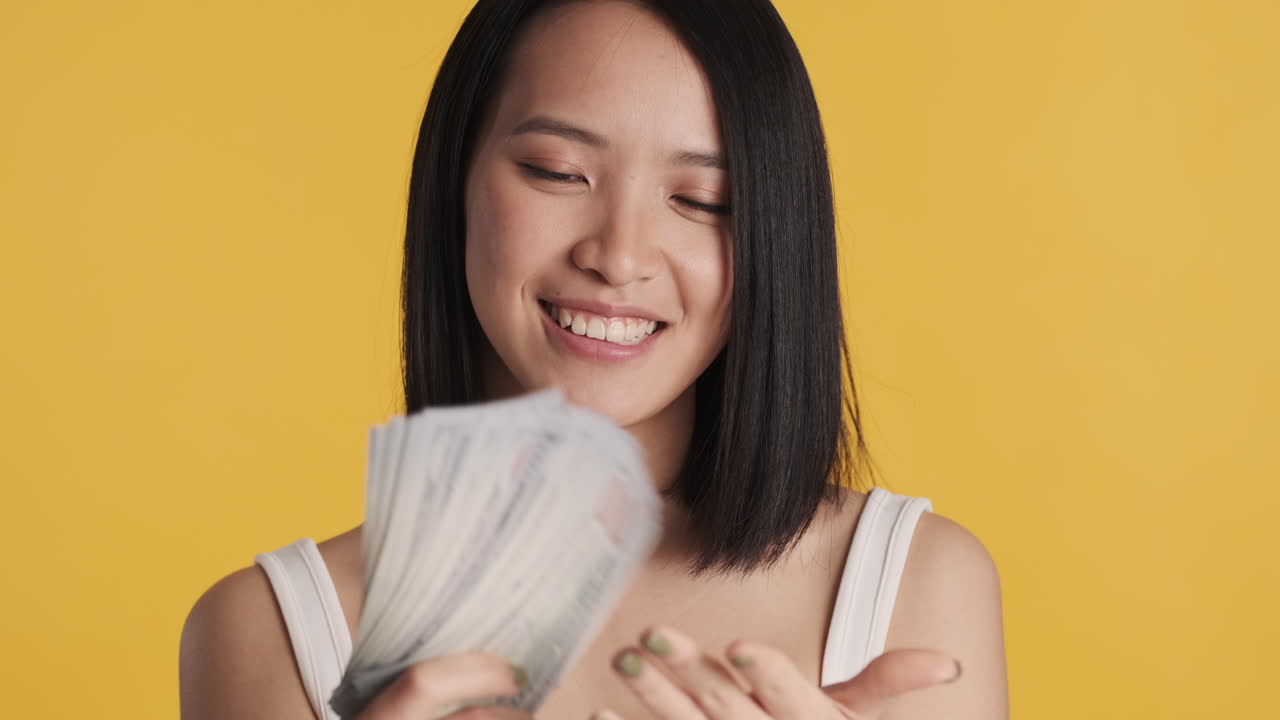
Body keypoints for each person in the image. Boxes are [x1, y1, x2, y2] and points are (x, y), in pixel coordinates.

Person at [179, 0, 1010, 718]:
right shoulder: (275, 630)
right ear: (455, 183)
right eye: (557, 172)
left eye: (700, 200)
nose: (620, 256)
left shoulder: (914, 585)